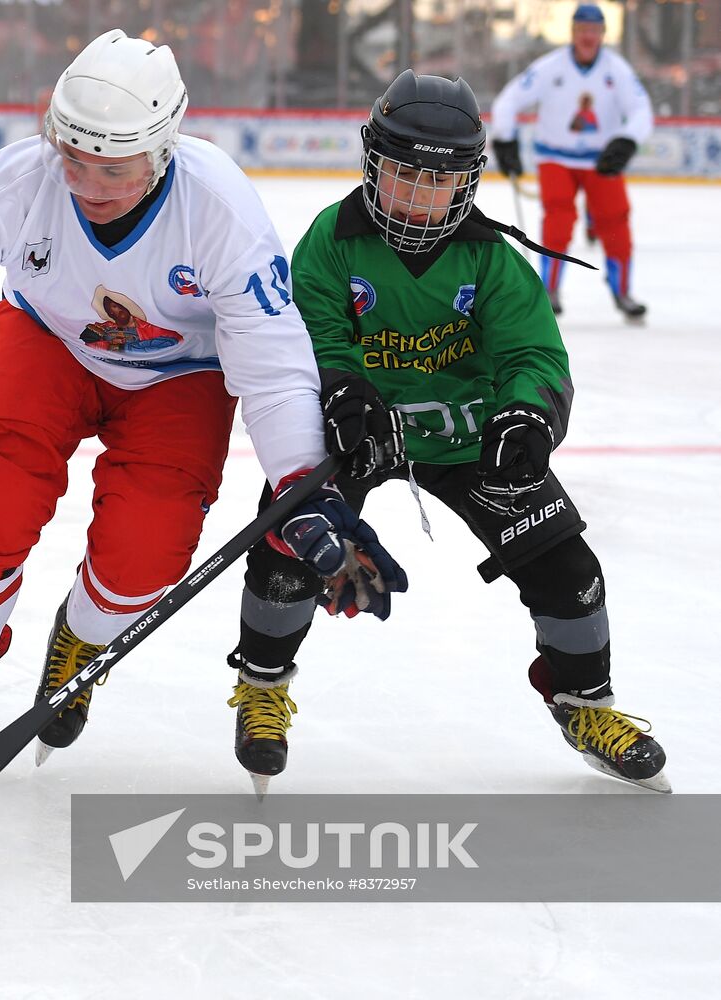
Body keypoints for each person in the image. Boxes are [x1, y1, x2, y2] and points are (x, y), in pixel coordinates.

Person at [0, 29, 406, 784]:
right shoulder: (20, 179)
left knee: (144, 553)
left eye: (115, 168)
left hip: (179, 377)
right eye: (74, 158)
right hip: (47, 344)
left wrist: (302, 485)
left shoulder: (220, 207)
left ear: (162, 151)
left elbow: (272, 362)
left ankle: (80, 642)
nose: (89, 185)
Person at [224, 69, 669, 793]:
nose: (417, 198)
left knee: (569, 569)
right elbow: (315, 337)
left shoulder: (490, 257)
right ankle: (263, 686)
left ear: (466, 184)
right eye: (402, 177)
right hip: (361, 432)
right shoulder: (331, 243)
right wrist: (340, 390)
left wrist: (530, 414)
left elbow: (535, 354)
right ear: (373, 163)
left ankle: (585, 703)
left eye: (438, 183)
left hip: (468, 437)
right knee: (288, 541)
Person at [490, 3, 653, 319]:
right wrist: (505, 138)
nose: (588, 37)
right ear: (573, 32)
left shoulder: (615, 70)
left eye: (594, 31)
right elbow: (509, 99)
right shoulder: (551, 67)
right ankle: (549, 289)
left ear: (603, 34)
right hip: (556, 157)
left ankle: (623, 292)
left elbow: (640, 108)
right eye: (582, 30)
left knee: (615, 221)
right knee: (558, 220)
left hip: (600, 160)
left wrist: (627, 140)